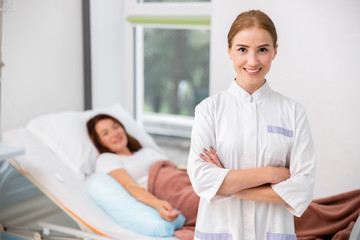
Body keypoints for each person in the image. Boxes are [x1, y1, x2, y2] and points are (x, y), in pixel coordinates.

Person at [187, 10, 316, 240]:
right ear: (229, 51)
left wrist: (226, 185)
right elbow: (202, 179)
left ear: (275, 51)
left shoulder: (293, 112)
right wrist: (272, 173)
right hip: (219, 231)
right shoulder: (208, 110)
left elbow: (301, 188)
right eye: (242, 49)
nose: (253, 61)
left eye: (263, 50)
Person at [86, 113, 181, 222]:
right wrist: (158, 204)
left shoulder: (146, 151)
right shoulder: (107, 159)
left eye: (115, 127)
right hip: (169, 192)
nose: (114, 134)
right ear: (99, 142)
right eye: (105, 133)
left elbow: (173, 170)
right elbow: (130, 186)